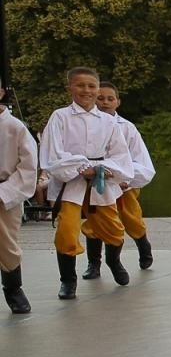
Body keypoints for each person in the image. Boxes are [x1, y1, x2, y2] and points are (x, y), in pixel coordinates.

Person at [39, 67, 134, 297]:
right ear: (69, 88)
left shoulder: (109, 122)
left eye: (91, 86)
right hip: (71, 181)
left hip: (101, 180)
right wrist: (82, 167)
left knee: (113, 230)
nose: (86, 90)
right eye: (80, 85)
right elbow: (52, 154)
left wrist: (108, 169)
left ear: (97, 88)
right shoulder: (60, 117)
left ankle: (113, 261)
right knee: (67, 230)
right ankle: (68, 281)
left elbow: (121, 154)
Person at [86, 82, 156, 275]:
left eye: (110, 99)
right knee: (94, 222)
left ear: (118, 102)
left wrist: (126, 177)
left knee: (130, 218)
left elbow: (142, 161)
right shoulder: (86, 126)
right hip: (97, 184)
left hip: (125, 184)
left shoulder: (127, 128)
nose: (105, 103)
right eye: (100, 98)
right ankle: (94, 264)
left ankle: (144, 247)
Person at [0, 95, 38, 313]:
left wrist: (4, 192)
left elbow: (28, 167)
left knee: (6, 244)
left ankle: (13, 287)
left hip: (6, 191)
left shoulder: (15, 127)